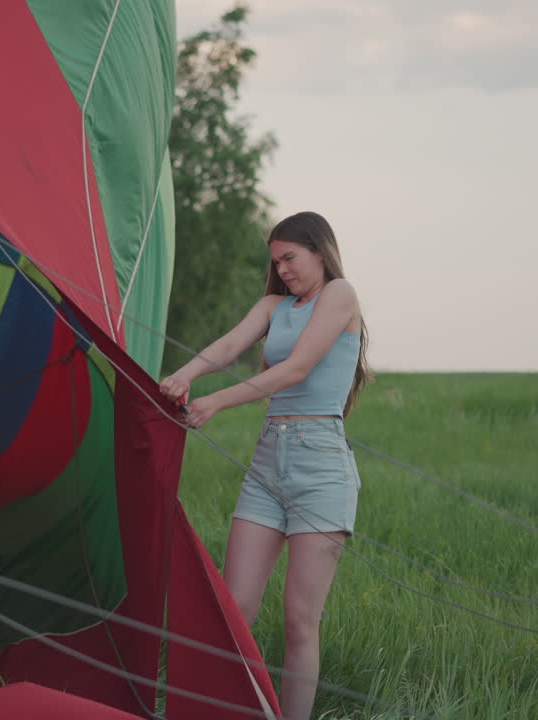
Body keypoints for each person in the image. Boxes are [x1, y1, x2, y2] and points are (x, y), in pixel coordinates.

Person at [159, 211, 370, 720]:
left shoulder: (340, 296)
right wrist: (183, 375)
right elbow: (231, 344)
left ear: (319, 250)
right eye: (276, 261)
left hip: (321, 467)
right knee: (235, 610)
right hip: (267, 462)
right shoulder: (274, 305)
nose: (283, 269)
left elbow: (296, 369)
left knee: (300, 621)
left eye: (290, 258)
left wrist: (216, 402)